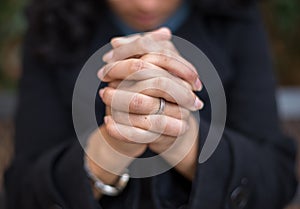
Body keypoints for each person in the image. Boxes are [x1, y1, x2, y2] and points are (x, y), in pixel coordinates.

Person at [4, 0, 298, 208]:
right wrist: (108, 150)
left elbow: (276, 180)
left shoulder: (237, 16)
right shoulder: (52, 22)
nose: (147, 5)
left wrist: (183, 140)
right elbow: (22, 192)